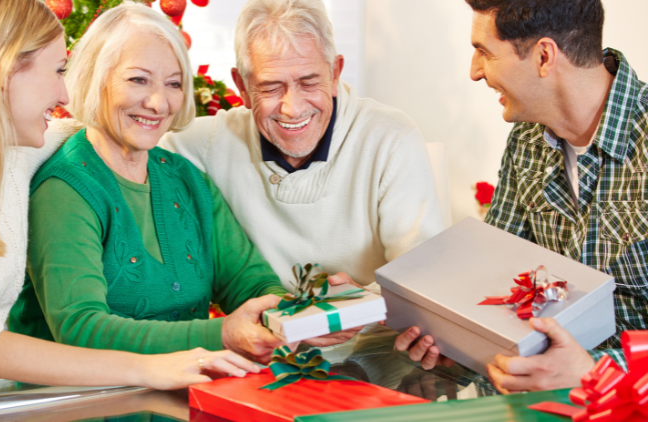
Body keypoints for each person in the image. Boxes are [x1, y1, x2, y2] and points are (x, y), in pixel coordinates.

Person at [0, 0, 259, 395]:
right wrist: (149, 368)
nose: (65, 93)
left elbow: (110, 130)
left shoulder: (16, 150)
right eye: (59, 71)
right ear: (5, 70)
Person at [8, 1, 359, 365]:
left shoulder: (188, 180)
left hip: (178, 396)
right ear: (96, 79)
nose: (158, 102)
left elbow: (250, 283)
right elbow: (80, 328)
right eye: (138, 79)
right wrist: (220, 335)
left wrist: (300, 316)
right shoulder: (65, 189)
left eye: (173, 84)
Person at [159, 0, 447, 359]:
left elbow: (426, 276)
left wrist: (363, 301)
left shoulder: (390, 137)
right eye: (271, 87)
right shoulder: (199, 145)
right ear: (242, 86)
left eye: (309, 82)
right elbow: (125, 149)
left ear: (335, 72)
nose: (293, 108)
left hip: (375, 355)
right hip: (261, 357)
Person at [462, 0, 648, 393]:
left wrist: (597, 373)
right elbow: (494, 280)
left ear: (545, 57)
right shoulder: (526, 142)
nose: (475, 72)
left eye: (484, 52)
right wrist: (453, 338)